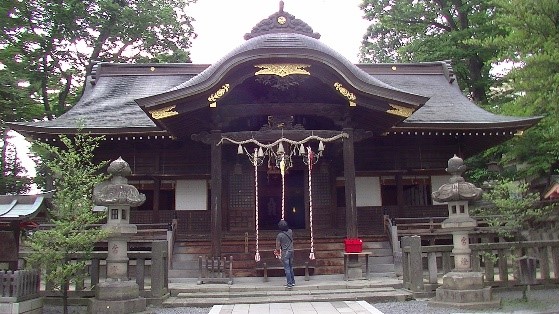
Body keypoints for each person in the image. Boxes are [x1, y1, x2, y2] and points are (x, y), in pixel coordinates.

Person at [276, 219, 295, 288]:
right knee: (290, 267)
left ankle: (289, 283)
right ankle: (293, 282)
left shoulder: (279, 235)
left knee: (287, 268)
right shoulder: (290, 231)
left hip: (285, 252)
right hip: (291, 251)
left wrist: (277, 253)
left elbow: (278, 247)